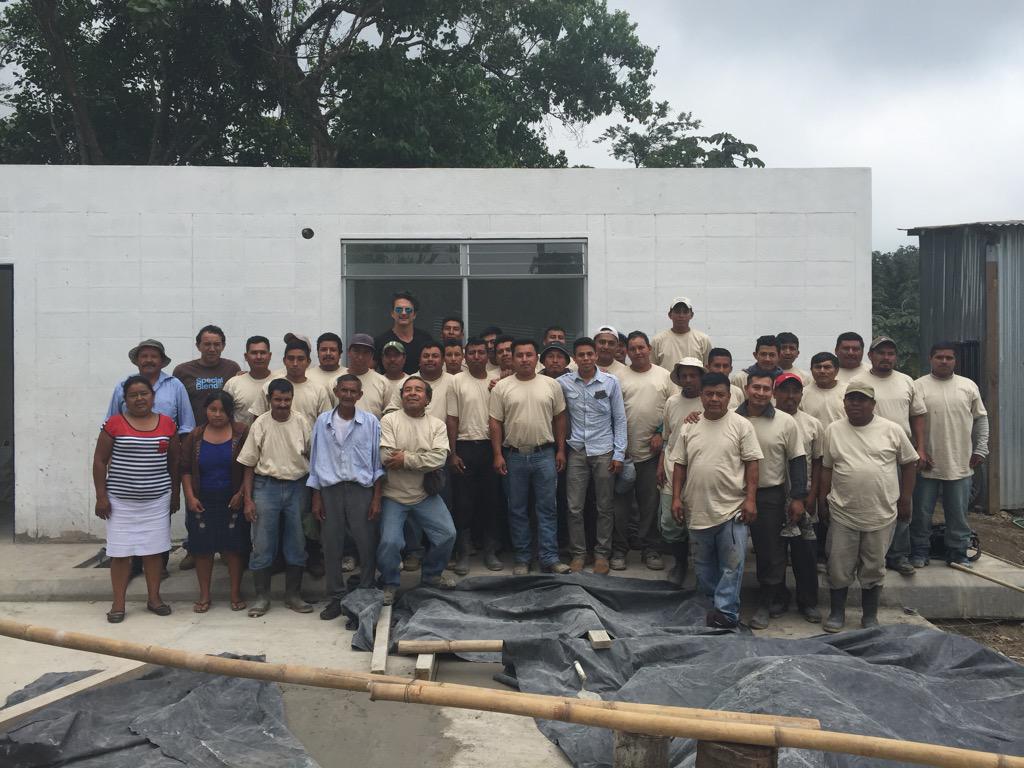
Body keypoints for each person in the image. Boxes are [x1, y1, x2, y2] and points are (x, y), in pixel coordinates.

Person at [820, 382, 918, 632]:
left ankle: (870, 616)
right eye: (851, 399)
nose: (855, 404)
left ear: (873, 404)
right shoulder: (833, 430)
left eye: (862, 400)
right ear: (844, 403)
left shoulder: (892, 430)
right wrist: (822, 500)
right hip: (843, 512)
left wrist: (906, 498)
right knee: (838, 566)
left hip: (881, 513)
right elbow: (827, 468)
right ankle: (837, 613)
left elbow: (909, 463)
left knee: (873, 567)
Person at [669, 372, 762, 629]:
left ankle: (726, 613)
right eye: (709, 394)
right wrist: (676, 498)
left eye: (720, 394)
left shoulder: (742, 425)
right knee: (703, 566)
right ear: (701, 396)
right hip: (697, 509)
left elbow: (752, 464)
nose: (714, 399)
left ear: (729, 397)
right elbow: (679, 464)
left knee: (732, 566)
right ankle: (709, 609)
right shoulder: (689, 426)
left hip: (732, 510)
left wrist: (751, 499)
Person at [93, 375, 180, 623]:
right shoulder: (114, 424)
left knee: (153, 552)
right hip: (120, 501)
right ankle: (118, 604)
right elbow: (99, 461)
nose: (139, 399)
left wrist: (175, 494)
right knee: (120, 554)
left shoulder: (167, 424)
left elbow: (174, 462)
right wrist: (101, 496)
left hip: (157, 499)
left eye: (144, 393)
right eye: (133, 395)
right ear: (126, 399)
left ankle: (154, 599)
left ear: (153, 397)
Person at [489, 339, 569, 575]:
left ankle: (549, 558)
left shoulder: (551, 385)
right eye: (520, 355)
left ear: (537, 358)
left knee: (548, 508)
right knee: (517, 509)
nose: (524, 359)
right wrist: (497, 454)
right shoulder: (502, 387)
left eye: (529, 355)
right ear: (512, 359)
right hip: (513, 456)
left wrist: (561, 450)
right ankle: (523, 558)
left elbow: (560, 418)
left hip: (544, 454)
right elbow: (495, 422)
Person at [308, 374, 384, 620]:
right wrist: (316, 497)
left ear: (360, 395)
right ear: (336, 391)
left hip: (361, 489)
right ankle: (336, 596)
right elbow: (316, 459)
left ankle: (365, 591)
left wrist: (376, 498)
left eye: (353, 391)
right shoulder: (323, 421)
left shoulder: (370, 422)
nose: (348, 395)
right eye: (344, 390)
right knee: (331, 544)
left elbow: (377, 462)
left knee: (366, 542)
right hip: (330, 489)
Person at [850, 336, 927, 577]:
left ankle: (898, 555)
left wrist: (921, 448)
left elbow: (917, 415)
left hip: (900, 454)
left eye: (891, 353)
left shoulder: (907, 382)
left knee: (903, 504)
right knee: (870, 505)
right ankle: (868, 556)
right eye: (880, 352)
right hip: (866, 452)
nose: (886, 357)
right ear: (870, 356)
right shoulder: (858, 381)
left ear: (896, 357)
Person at [735, 372, 807, 630]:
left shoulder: (786, 422)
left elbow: (797, 461)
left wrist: (798, 497)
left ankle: (766, 602)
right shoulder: (732, 417)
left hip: (770, 495)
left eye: (767, 389)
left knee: (770, 551)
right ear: (747, 388)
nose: (761, 393)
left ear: (772, 392)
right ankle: (727, 602)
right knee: (731, 548)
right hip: (733, 494)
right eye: (756, 387)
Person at [238, 378, 314, 617]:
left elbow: (314, 459)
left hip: (298, 487)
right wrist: (248, 499)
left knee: (297, 542)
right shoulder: (260, 424)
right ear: (269, 399)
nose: (282, 404)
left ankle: (293, 595)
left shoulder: (302, 422)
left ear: (292, 399)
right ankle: (262, 597)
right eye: (278, 400)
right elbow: (248, 464)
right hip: (266, 487)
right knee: (262, 543)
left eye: (287, 399)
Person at [378, 376, 457, 605]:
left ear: (428, 398)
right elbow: (385, 457)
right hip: (393, 495)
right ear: (401, 396)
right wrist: (422, 458)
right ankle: (390, 582)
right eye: (408, 390)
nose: (412, 393)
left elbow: (440, 458)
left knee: (447, 535)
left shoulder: (437, 425)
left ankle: (432, 575)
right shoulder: (389, 420)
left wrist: (405, 458)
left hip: (425, 495)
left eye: (418, 390)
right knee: (390, 543)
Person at [910, 342, 989, 569]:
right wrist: (918, 450)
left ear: (955, 361)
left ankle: (957, 553)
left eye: (949, 358)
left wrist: (981, 449)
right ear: (930, 359)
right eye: (939, 357)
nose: (944, 361)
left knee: (958, 515)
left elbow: (981, 419)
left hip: (960, 462)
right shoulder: (918, 386)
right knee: (922, 514)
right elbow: (910, 421)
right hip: (926, 464)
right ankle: (919, 552)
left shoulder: (968, 386)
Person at [559, 336, 627, 574]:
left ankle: (601, 555)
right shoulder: (563, 383)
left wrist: (619, 453)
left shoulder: (610, 382)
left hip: (604, 452)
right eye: (581, 355)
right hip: (576, 451)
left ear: (596, 355)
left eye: (590, 354)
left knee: (605, 507)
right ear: (574, 358)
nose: (586, 358)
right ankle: (578, 554)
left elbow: (619, 419)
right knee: (574, 507)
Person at [180, 392, 250, 613]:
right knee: (202, 549)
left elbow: (250, 465)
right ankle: (204, 595)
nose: (217, 415)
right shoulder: (195, 436)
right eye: (213, 410)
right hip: (203, 500)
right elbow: (185, 470)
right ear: (205, 411)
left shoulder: (241, 433)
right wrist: (190, 497)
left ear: (230, 412)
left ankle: (235, 593)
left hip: (233, 499)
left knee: (234, 549)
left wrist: (242, 494)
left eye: (222, 410)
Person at [613, 331, 674, 571]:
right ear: (626, 352)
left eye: (641, 347)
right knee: (620, 507)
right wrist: (618, 447)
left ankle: (651, 549)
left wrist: (660, 431)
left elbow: (672, 410)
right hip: (622, 454)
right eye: (632, 348)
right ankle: (619, 550)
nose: (637, 352)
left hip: (652, 454)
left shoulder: (664, 376)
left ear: (649, 348)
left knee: (651, 504)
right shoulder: (617, 377)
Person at [447, 338, 505, 572]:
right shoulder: (456, 381)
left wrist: (498, 452)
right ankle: (464, 553)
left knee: (491, 501)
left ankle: (490, 551)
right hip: (464, 446)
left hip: (491, 448)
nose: (477, 356)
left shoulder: (497, 381)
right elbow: (452, 418)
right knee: (464, 503)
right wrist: (452, 453)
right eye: (471, 352)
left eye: (481, 352)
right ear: (465, 355)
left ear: (487, 354)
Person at [773, 372, 824, 622]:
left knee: (805, 554)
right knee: (775, 554)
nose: (790, 396)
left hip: (803, 499)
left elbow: (817, 463)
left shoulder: (813, 424)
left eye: (795, 391)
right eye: (784, 391)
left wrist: (811, 496)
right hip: (773, 498)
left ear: (802, 395)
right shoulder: (762, 420)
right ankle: (778, 599)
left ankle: (808, 602)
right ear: (775, 393)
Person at [657, 357, 705, 586]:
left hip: (699, 470)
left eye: (692, 375)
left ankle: (701, 567)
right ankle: (680, 563)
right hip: (671, 468)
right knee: (670, 521)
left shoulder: (710, 400)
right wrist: (660, 464)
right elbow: (667, 438)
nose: (688, 380)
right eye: (684, 376)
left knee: (698, 519)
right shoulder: (672, 402)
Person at [106, 339, 195, 436]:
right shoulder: (123, 385)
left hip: (166, 447)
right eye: (144, 356)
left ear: (161, 361)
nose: (149, 360)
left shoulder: (175, 385)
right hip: (128, 448)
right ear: (137, 360)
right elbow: (110, 422)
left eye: (154, 356)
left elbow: (187, 426)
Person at [251, 338, 332, 424]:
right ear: (284, 361)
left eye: (300, 359)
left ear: (308, 362)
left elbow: (325, 423)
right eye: (291, 358)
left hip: (307, 437)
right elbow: (257, 420)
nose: (295, 364)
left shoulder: (319, 390)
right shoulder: (269, 386)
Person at [173, 324, 241, 425]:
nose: (212, 349)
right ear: (198, 346)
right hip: (193, 433)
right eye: (207, 344)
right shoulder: (182, 371)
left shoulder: (232, 368)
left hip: (225, 432)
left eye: (217, 344)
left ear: (223, 346)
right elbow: (176, 405)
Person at [375, 291, 433, 375]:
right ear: (392, 313)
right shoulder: (380, 341)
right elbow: (370, 372)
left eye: (408, 310)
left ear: (414, 315)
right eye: (399, 309)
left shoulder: (426, 339)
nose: (403, 313)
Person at [223, 336, 274, 426]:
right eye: (254, 353)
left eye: (263, 353)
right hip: (242, 439)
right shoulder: (233, 383)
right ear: (246, 357)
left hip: (273, 439)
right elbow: (223, 414)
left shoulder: (280, 382)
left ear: (270, 356)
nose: (259, 357)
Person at [651, 297, 712, 370]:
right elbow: (652, 368)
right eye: (677, 312)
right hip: (665, 382)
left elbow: (708, 368)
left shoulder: (703, 339)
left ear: (691, 315)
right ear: (670, 315)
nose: (681, 316)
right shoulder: (658, 340)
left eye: (685, 312)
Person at [342, 333, 390, 418]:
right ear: (348, 352)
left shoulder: (383, 382)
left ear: (372, 356)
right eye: (356, 351)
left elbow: (388, 416)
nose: (360, 356)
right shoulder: (335, 381)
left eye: (366, 352)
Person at [801, 352, 847, 426]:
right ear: (811, 370)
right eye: (818, 367)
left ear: (837, 370)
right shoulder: (802, 394)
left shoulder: (848, 392)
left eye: (827, 367)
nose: (822, 371)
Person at [306, 332, 345, 403]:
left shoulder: (348, 375)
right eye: (324, 349)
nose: (328, 353)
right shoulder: (306, 376)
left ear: (340, 354)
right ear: (318, 353)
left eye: (333, 350)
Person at [380, 340, 408, 405]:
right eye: (388, 355)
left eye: (396, 355)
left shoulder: (411, 382)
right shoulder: (376, 381)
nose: (392, 359)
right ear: (382, 358)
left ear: (404, 358)